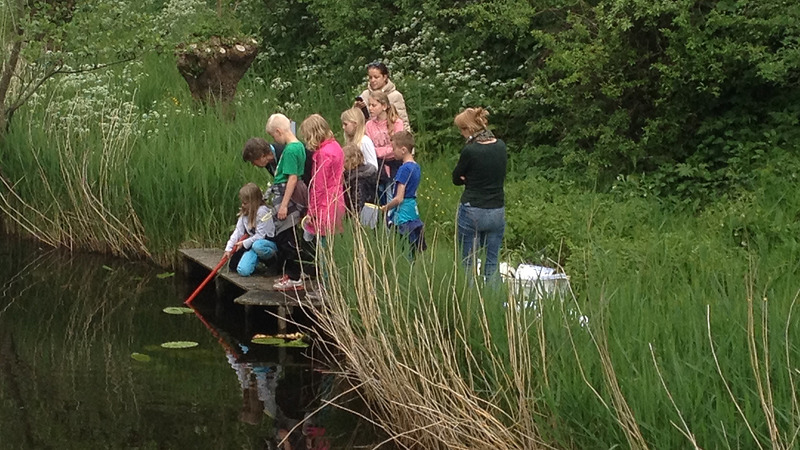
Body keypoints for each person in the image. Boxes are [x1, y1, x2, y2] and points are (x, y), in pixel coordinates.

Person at [452, 107, 507, 282]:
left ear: (469, 129)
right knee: (491, 264)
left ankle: (469, 304)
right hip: (497, 209)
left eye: (462, 129)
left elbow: (456, 178)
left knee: (467, 263)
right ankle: (493, 303)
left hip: (473, 209)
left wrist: (466, 179)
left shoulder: (471, 150)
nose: (461, 133)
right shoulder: (501, 146)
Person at [265, 113, 314, 291]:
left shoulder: (292, 149)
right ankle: (293, 273)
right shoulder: (297, 146)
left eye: (273, 136)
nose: (274, 140)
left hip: (289, 194)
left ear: (278, 131)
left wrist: (284, 205)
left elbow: (292, 177)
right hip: (287, 191)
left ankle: (295, 277)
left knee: (287, 235)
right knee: (287, 234)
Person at [299, 114, 346, 239]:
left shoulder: (323, 154)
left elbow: (319, 186)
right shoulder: (336, 146)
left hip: (325, 205)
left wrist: (311, 212)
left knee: (324, 246)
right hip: (338, 199)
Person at [380, 131, 425, 254]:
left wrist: (385, 208)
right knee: (412, 247)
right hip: (412, 210)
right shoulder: (416, 166)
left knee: (402, 247)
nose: (392, 152)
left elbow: (399, 198)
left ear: (403, 150)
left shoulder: (403, 169)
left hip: (402, 214)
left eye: (394, 148)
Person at [224, 183, 278, 277]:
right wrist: (228, 248)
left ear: (253, 202)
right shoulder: (245, 214)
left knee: (258, 245)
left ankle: (273, 261)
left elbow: (260, 236)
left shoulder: (263, 212)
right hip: (252, 244)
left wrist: (244, 243)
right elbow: (237, 232)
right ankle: (255, 261)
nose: (242, 205)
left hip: (266, 243)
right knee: (241, 270)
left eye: (245, 203)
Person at [365, 91, 404, 203]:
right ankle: (383, 218)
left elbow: (397, 147)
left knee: (393, 193)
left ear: (384, 106)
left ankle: (393, 218)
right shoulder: (369, 125)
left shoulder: (396, 123)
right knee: (381, 194)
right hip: (378, 164)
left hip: (394, 164)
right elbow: (369, 147)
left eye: (374, 105)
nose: (370, 108)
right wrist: (378, 152)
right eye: (369, 105)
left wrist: (377, 151)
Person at [353, 61, 411, 132]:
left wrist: (406, 140)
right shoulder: (365, 95)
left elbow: (404, 122)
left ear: (384, 77)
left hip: (391, 136)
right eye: (370, 77)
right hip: (370, 136)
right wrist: (357, 109)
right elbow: (354, 121)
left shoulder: (395, 96)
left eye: (376, 77)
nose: (373, 80)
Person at [242, 136, 314, 188]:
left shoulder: (286, 152)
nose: (253, 164)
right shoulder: (268, 163)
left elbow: (293, 178)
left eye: (253, 161)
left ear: (262, 156)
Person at [342, 142, 378, 213]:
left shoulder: (358, 179)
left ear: (351, 160)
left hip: (360, 214)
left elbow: (358, 201)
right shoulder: (366, 174)